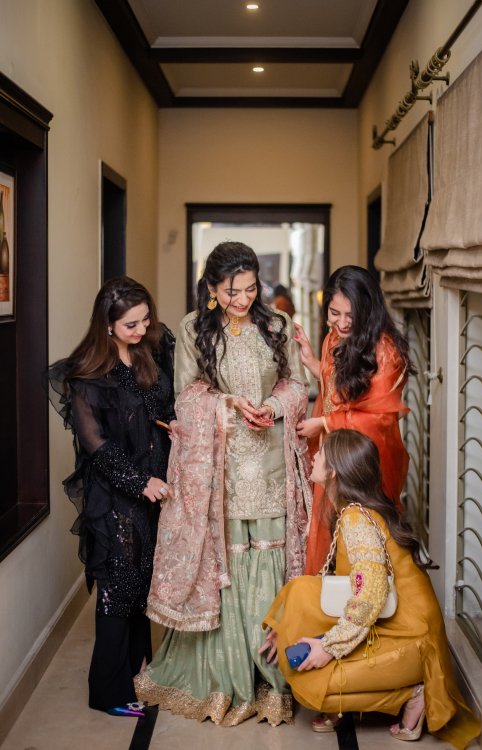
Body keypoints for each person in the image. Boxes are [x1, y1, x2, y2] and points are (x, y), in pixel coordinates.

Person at [135, 241, 312, 726]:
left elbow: (298, 385)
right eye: (233, 291)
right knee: (228, 562)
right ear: (212, 288)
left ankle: (270, 676)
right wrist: (227, 405)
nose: (243, 299)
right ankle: (226, 675)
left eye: (251, 289)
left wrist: (272, 406)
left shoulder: (277, 325)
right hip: (221, 470)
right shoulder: (195, 329)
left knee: (269, 559)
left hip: (271, 462)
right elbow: (186, 396)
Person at [261, 429, 481, 748]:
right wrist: (286, 625)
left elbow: (372, 591)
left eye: (321, 453)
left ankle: (414, 693)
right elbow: (331, 586)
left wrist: (329, 647)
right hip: (396, 629)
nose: (314, 455)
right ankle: (369, 692)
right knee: (301, 593)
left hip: (412, 641)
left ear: (334, 471)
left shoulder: (356, 520)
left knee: (311, 683)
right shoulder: (352, 511)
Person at [48, 276, 175, 717]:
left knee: (142, 583)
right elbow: (96, 446)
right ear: (107, 325)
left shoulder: (148, 352)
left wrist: (172, 423)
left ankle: (138, 670)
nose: (141, 330)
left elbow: (160, 407)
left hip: (153, 489)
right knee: (118, 588)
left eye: (145, 320)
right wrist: (140, 482)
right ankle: (108, 692)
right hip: (117, 495)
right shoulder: (87, 376)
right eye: (130, 325)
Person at [293, 265, 414, 576]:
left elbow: (378, 418)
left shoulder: (385, 351)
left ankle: (365, 598)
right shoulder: (334, 338)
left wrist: (324, 424)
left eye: (351, 315)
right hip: (335, 453)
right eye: (335, 313)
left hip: (364, 460)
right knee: (331, 534)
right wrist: (312, 362)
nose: (343, 322)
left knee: (363, 539)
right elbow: (340, 389)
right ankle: (331, 600)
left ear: (368, 310)